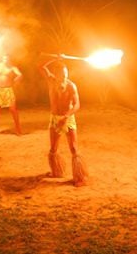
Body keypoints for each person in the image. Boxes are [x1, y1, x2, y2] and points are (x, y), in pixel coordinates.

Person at [39, 55, 88, 187]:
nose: (65, 77)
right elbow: (41, 66)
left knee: (74, 148)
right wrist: (54, 58)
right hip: (55, 118)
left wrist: (66, 116)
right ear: (56, 74)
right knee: (53, 148)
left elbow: (77, 104)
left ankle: (79, 178)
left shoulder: (72, 86)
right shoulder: (51, 80)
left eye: (66, 75)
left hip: (68, 118)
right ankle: (57, 171)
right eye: (62, 75)